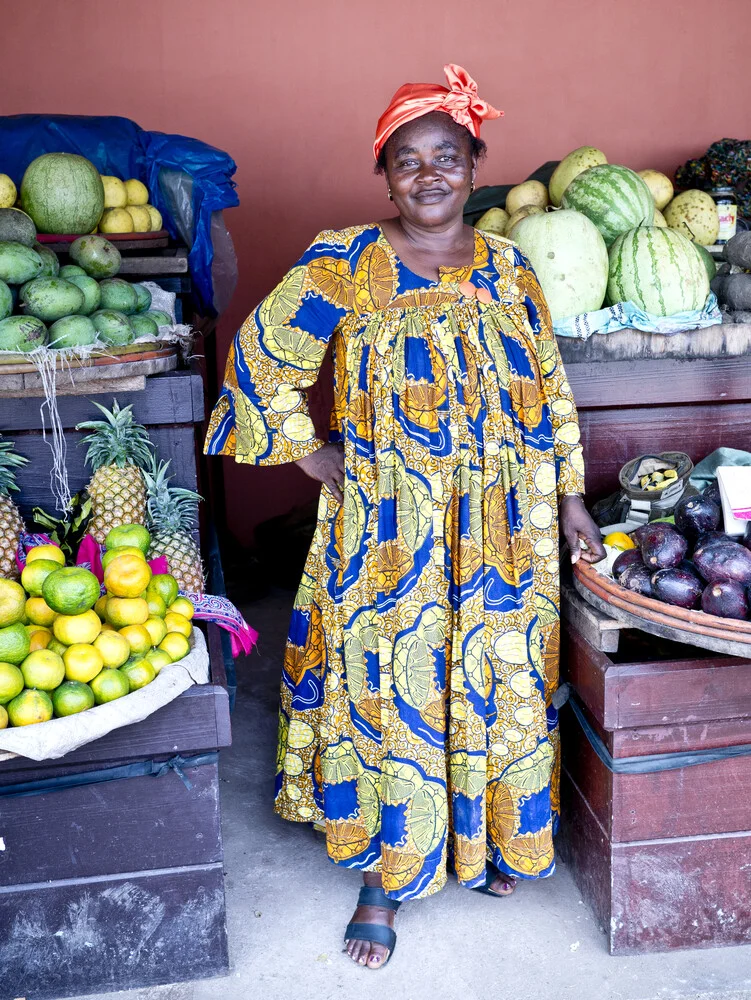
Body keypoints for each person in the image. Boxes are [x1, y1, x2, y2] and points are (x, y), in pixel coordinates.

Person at [205, 63, 605, 971]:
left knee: (499, 679)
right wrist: (312, 454)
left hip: (507, 525)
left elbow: (549, 387)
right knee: (389, 692)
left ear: (475, 165)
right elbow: (263, 357)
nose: (429, 175)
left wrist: (570, 494)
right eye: (407, 160)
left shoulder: (509, 268)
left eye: (447, 156)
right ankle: (381, 880)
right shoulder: (343, 263)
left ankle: (492, 839)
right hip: (391, 533)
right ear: (383, 174)